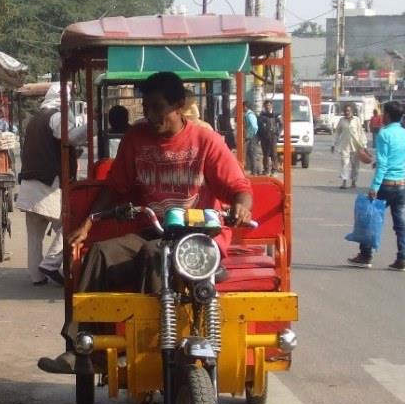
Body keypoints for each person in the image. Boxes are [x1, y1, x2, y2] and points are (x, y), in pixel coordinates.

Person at [37, 72, 252, 374]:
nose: (150, 115)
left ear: (179, 105)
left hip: (196, 240)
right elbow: (115, 187)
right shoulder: (136, 139)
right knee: (99, 253)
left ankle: (144, 347)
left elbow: (238, 186)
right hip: (153, 230)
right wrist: (88, 223)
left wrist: (242, 207)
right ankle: (82, 349)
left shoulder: (206, 140)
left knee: (155, 256)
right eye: (146, 107)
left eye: (158, 107)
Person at [17, 83, 87, 286]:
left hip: (30, 183)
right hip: (47, 185)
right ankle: (50, 263)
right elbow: (70, 138)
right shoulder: (56, 117)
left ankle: (36, 276)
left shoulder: (34, 119)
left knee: (34, 235)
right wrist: (90, 126)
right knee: (69, 225)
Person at [349, 100, 405, 271]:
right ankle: (403, 257)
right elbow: (398, 158)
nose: (382, 116)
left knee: (369, 218)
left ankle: (366, 255)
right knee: (400, 223)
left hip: (385, 185)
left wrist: (374, 187)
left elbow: (384, 163)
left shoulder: (384, 134)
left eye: (384, 113)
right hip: (400, 185)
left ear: (388, 115)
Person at [333, 104, 366, 189]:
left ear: (352, 112)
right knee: (345, 164)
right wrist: (334, 144)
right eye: (345, 111)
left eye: (348, 111)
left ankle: (353, 182)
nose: (347, 112)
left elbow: (361, 133)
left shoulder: (357, 120)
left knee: (355, 165)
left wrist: (364, 145)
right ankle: (344, 182)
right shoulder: (342, 121)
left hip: (356, 147)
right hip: (344, 146)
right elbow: (337, 133)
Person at [258, 99, 281, 175]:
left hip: (273, 136)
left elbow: (281, 124)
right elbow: (259, 127)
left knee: (274, 153)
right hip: (264, 137)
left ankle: (274, 170)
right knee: (266, 154)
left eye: (269, 105)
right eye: (266, 105)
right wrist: (260, 136)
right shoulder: (262, 116)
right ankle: (266, 170)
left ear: (272, 106)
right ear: (264, 106)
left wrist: (278, 133)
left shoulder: (276, 115)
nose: (268, 107)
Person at [243, 101, 260, 174]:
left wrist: (249, 135)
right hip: (251, 136)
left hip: (252, 137)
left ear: (245, 107)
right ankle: (253, 170)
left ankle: (254, 171)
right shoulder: (247, 114)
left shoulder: (250, 115)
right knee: (250, 153)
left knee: (252, 153)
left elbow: (254, 126)